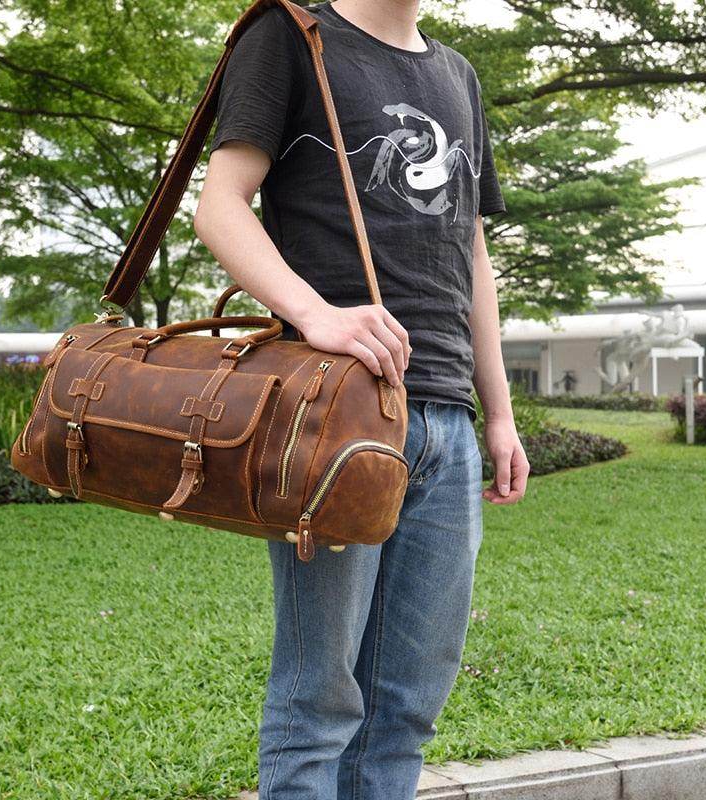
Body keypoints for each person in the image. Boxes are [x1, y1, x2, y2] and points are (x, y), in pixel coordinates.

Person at [194, 1, 530, 797]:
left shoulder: (458, 75)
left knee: (406, 707)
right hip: (337, 412)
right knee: (319, 700)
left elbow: (471, 251)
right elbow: (220, 205)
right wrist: (316, 314)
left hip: (445, 418)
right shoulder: (290, 36)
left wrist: (500, 412)